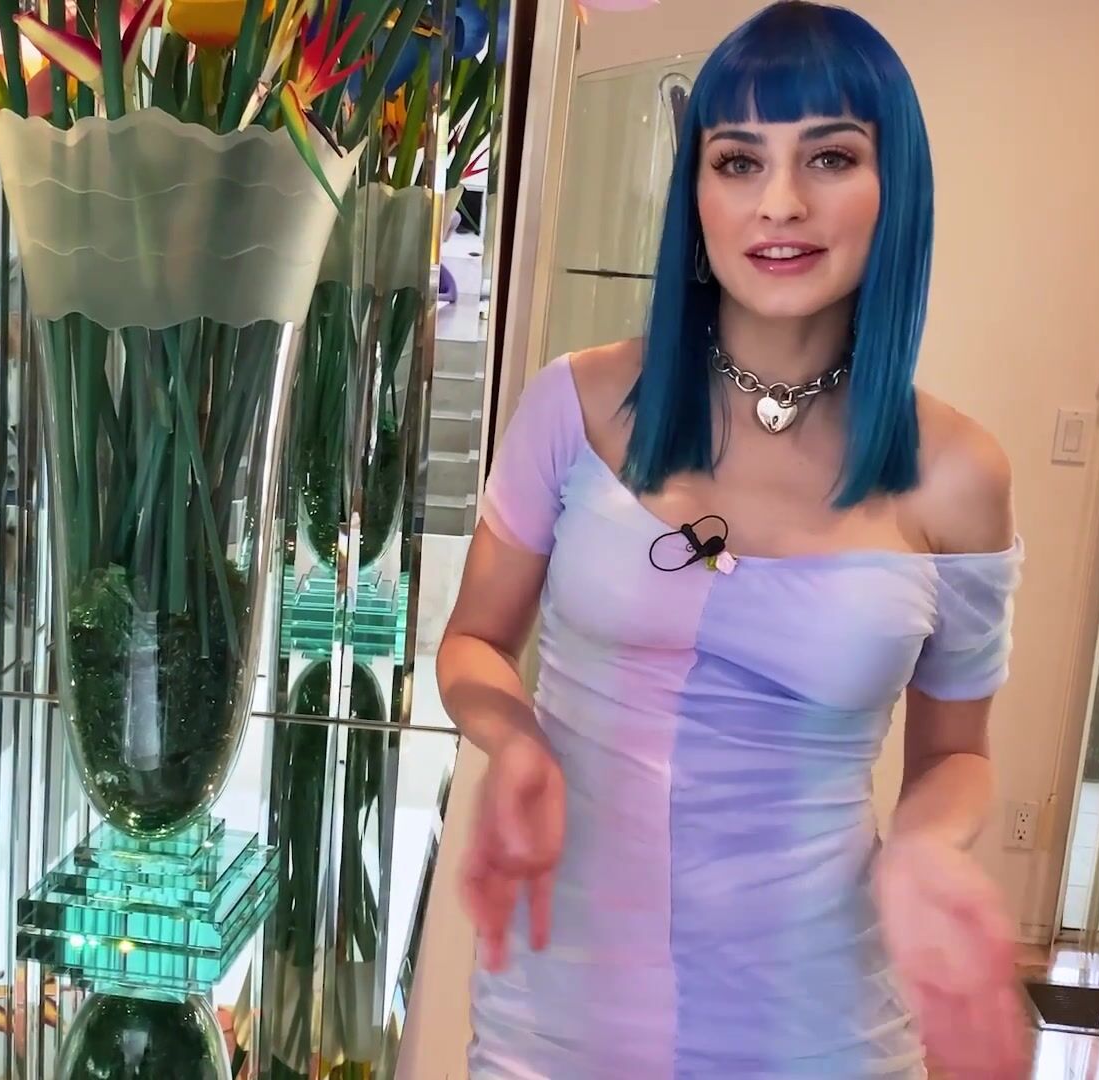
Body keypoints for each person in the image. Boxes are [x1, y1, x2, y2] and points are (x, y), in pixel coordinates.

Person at [436, 4, 1032, 1077]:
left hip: (819, 1023)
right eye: (739, 160)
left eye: (831, 157)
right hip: (559, 1007)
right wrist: (515, 741)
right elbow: (474, 642)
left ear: (895, 186)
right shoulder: (578, 405)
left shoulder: (958, 472)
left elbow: (958, 755)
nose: (780, 203)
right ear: (697, 193)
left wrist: (925, 849)